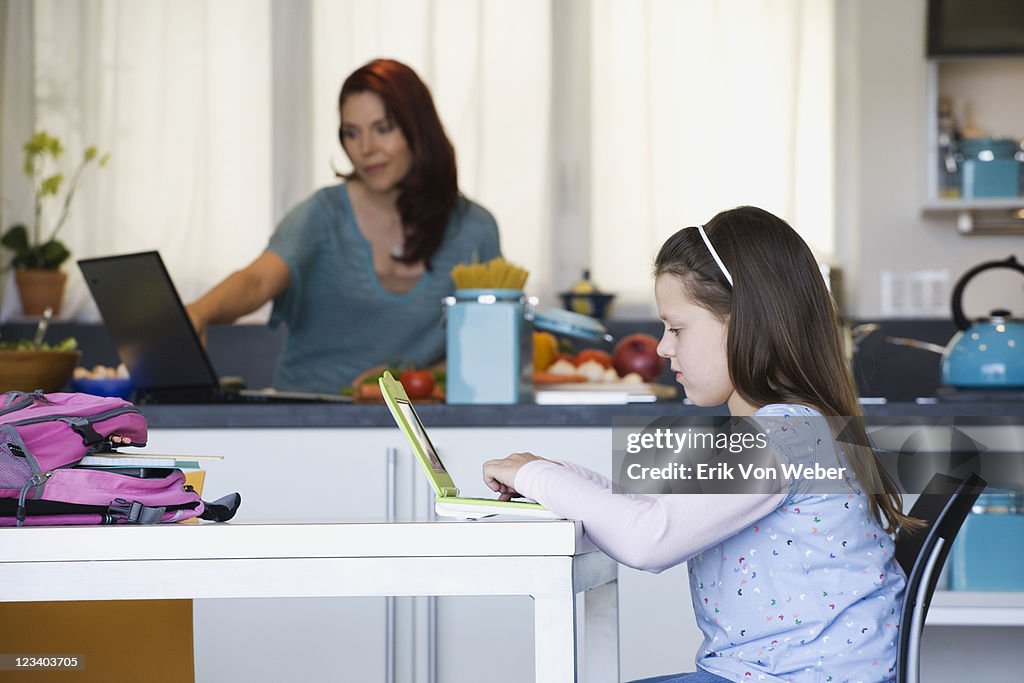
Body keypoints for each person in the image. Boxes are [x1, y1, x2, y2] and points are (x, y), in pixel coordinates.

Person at [483, 206, 920, 683]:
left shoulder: (785, 437)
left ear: (745, 322)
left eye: (676, 328)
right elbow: (654, 512)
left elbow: (647, 538)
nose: (662, 348)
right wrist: (557, 476)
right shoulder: (793, 430)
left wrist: (535, 475)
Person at [186, 58, 500, 393]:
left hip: (416, 426)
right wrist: (198, 313)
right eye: (352, 133)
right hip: (306, 422)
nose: (365, 149)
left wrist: (408, 380)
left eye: (383, 128)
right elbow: (257, 280)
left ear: (419, 129)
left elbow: (493, 349)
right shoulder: (321, 214)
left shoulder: (475, 229)